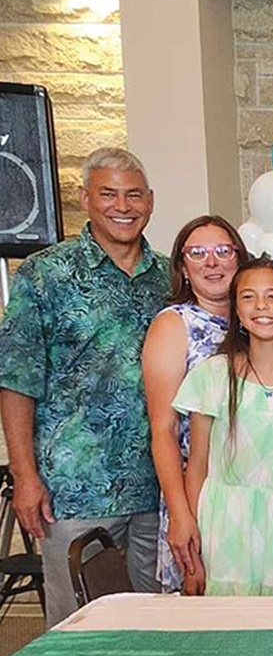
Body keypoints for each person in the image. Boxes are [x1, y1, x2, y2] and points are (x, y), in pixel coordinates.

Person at [0, 147, 168, 626]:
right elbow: (16, 379)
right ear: (85, 199)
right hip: (75, 491)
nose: (123, 206)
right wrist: (25, 477)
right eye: (109, 194)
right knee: (81, 630)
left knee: (159, 627)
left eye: (134, 194)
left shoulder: (172, 275)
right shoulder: (45, 274)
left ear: (150, 201)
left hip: (159, 490)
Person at [173, 259, 273, 595]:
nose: (261, 306)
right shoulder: (214, 375)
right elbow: (198, 465)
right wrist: (192, 547)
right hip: (224, 528)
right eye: (248, 297)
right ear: (236, 310)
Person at [142, 215, 250, 594]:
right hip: (199, 495)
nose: (212, 262)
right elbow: (163, 430)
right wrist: (182, 514)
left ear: (240, 258)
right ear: (183, 267)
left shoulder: (263, 319)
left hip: (260, 497)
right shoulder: (175, 324)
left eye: (223, 251)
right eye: (197, 253)